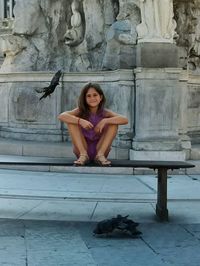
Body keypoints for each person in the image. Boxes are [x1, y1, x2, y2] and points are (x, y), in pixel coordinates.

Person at [58, 82, 128, 166]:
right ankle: (83, 155)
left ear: (100, 97)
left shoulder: (105, 113)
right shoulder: (80, 111)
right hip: (82, 150)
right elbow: (61, 116)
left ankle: (100, 155)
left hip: (100, 150)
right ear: (85, 99)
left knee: (113, 122)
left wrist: (105, 121)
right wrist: (80, 120)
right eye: (88, 96)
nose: (92, 98)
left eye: (95, 95)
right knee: (72, 120)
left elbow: (125, 119)